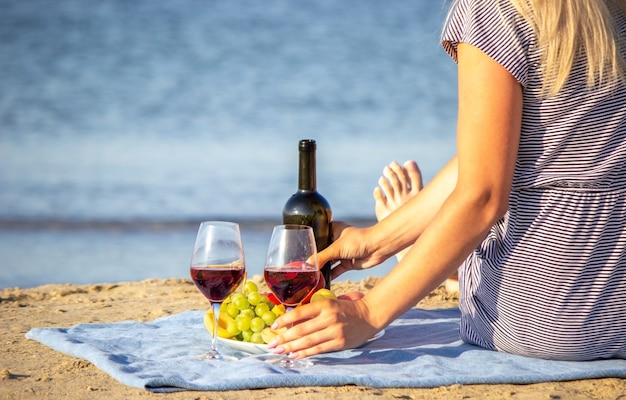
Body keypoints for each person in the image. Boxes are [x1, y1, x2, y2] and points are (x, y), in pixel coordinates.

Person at [268, 0, 626, 361]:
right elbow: (499, 150)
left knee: (476, 231)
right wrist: (379, 241)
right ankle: (427, 254)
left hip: (550, 319)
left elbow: (482, 197)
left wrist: (368, 313)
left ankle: (436, 260)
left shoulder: (495, 10)